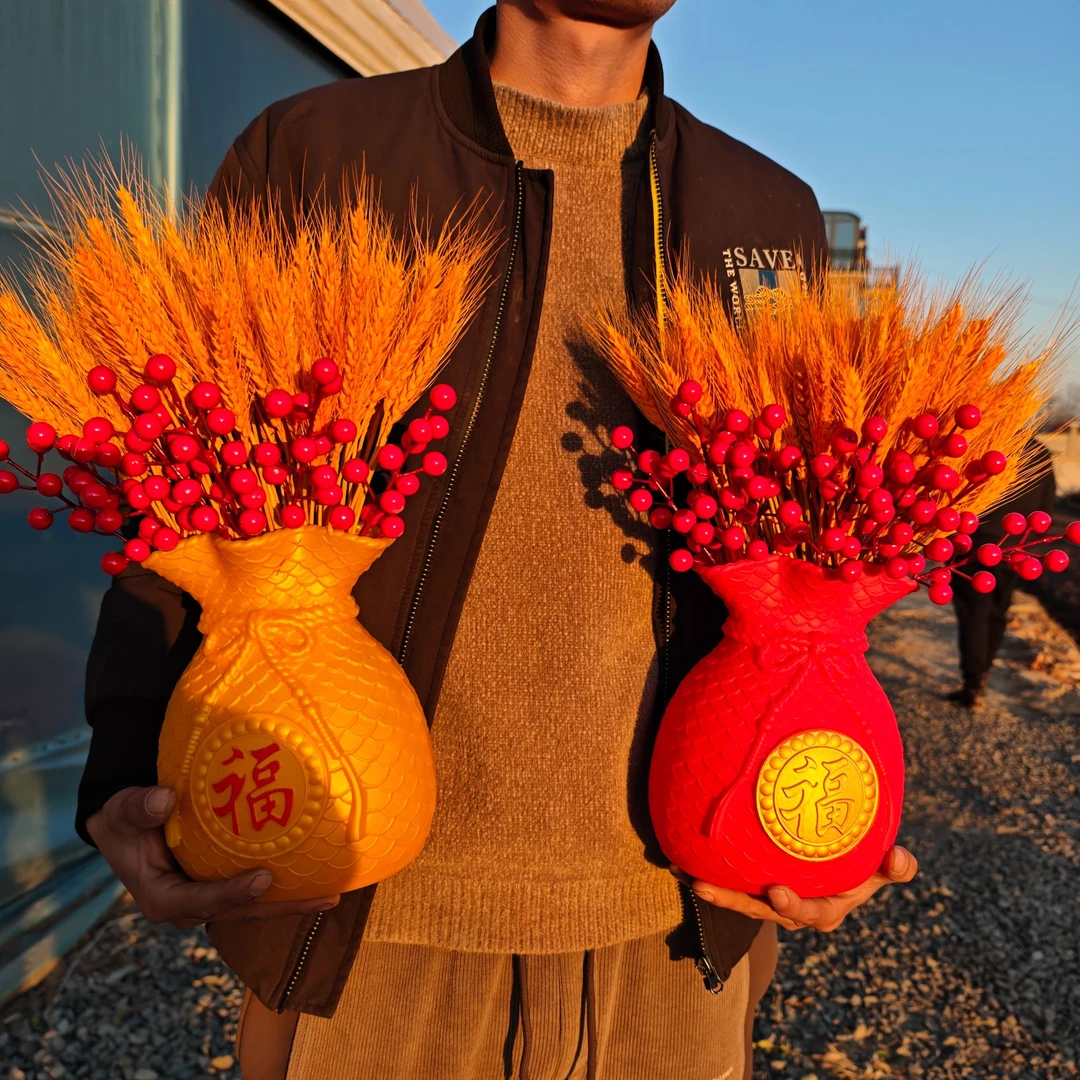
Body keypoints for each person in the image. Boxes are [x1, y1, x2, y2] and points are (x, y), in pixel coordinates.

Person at [76, 4, 917, 1078]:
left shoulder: (766, 213)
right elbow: (179, 468)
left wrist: (828, 789)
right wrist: (122, 766)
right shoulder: (317, 155)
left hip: (673, 914)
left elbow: (810, 545)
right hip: (363, 912)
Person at [948, 439, 1057, 708]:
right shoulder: (1040, 452)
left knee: (974, 612)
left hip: (975, 543)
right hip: (1015, 549)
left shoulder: (988, 442)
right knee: (998, 610)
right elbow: (1047, 504)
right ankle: (982, 673)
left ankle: (972, 683)